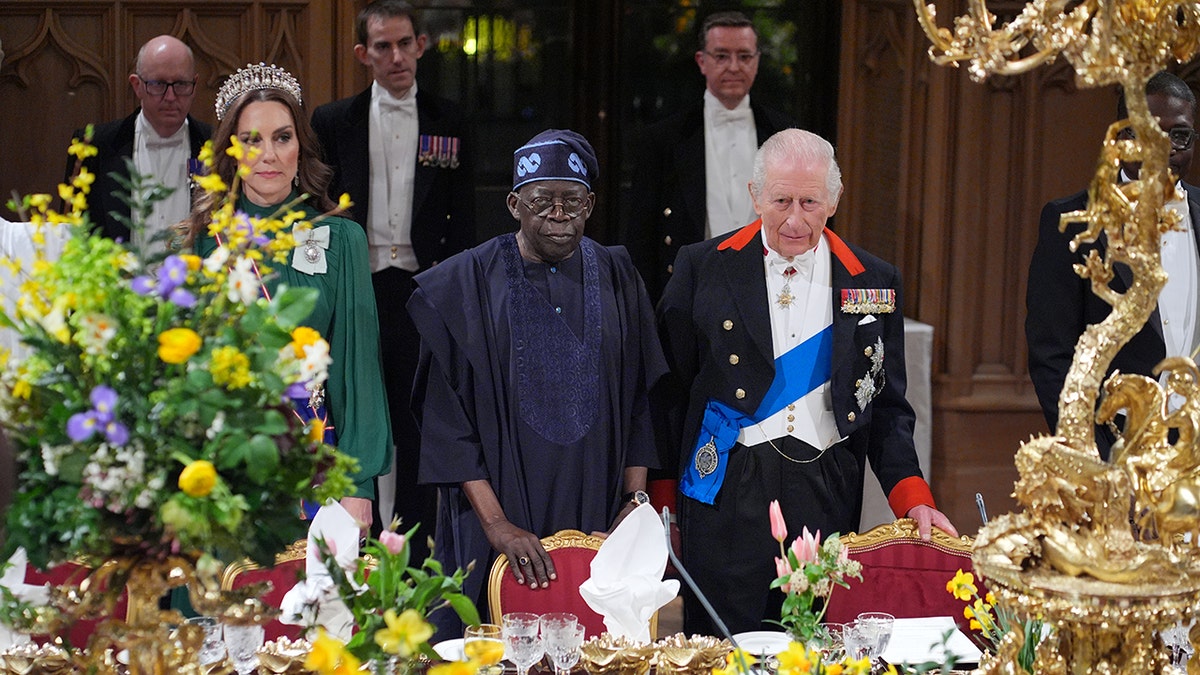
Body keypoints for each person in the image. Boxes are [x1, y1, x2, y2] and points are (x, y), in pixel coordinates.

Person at [657, 128, 957, 635]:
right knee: (723, 650)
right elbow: (669, 396)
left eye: (810, 202)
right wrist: (663, 505)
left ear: (835, 200)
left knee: (814, 645)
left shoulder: (873, 280)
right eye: (780, 200)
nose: (794, 219)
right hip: (726, 488)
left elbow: (884, 405)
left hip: (827, 485)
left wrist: (913, 497)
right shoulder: (702, 268)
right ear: (755, 196)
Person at [408, 129, 667, 632]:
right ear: (513, 204)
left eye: (572, 200)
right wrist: (496, 525)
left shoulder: (618, 275)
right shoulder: (465, 282)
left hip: (600, 511)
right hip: (499, 515)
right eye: (541, 200)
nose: (559, 213)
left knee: (599, 645)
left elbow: (641, 398)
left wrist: (635, 502)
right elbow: (447, 423)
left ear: (590, 204)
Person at [183, 63, 391, 531]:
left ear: (301, 147)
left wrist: (357, 487)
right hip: (224, 468)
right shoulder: (202, 242)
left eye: (282, 137)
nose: (269, 155)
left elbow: (358, 370)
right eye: (251, 140)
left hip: (317, 462)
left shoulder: (340, 238)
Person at [311, 0, 475, 553]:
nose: (397, 56)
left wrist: (457, 296)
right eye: (383, 46)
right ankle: (340, 548)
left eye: (406, 43)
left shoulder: (451, 119)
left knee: (416, 424)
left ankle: (407, 557)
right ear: (363, 54)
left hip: (420, 287)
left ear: (422, 47)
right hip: (355, 286)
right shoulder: (334, 121)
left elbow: (466, 214)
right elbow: (320, 206)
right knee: (347, 411)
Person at [1026, 71, 1200, 461]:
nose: (1165, 148)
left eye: (1180, 135)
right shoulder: (1072, 222)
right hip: (1115, 449)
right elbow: (1053, 358)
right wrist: (1094, 460)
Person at [624, 10, 795, 301]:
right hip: (688, 293)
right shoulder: (664, 139)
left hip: (769, 291)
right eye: (721, 56)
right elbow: (641, 236)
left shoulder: (784, 134)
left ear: (757, 62)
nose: (733, 66)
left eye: (744, 56)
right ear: (702, 61)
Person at [67, 35, 211, 255]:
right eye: (159, 84)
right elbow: (71, 235)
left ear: (195, 84)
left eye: (181, 84)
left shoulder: (216, 145)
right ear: (137, 85)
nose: (171, 96)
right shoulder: (94, 147)